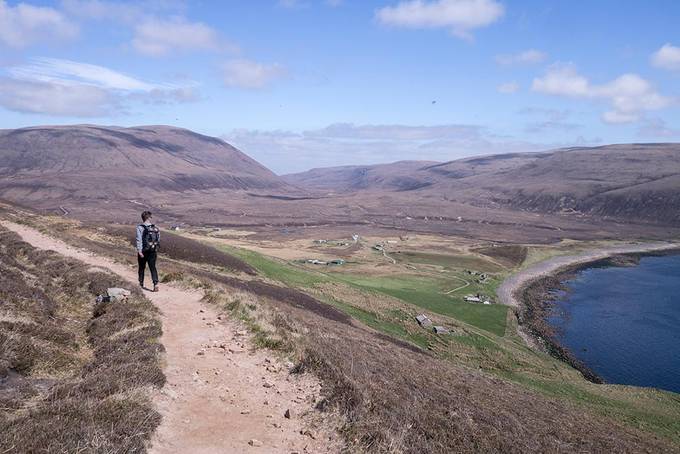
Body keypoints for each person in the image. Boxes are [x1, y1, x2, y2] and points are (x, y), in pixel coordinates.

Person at [136, 211, 161, 292]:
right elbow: (158, 239)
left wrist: (139, 251)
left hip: (143, 251)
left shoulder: (140, 227)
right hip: (153, 251)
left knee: (142, 268)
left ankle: (141, 283)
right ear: (149, 218)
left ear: (142, 218)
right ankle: (155, 283)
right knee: (152, 267)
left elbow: (139, 240)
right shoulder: (155, 227)